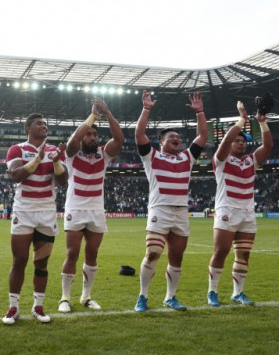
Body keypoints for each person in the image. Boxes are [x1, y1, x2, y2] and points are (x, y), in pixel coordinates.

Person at [134, 90, 208, 312]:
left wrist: (200, 112)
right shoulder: (152, 156)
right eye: (171, 137)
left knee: (176, 257)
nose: (176, 138)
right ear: (161, 142)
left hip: (180, 213)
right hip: (160, 210)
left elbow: (202, 136)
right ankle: (143, 296)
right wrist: (146, 109)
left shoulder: (187, 157)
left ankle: (170, 297)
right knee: (153, 253)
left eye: (178, 137)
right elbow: (139, 134)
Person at [58, 98, 124, 313]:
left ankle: (86, 296)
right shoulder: (72, 154)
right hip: (75, 209)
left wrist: (107, 112)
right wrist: (93, 117)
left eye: (95, 134)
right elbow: (73, 141)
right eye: (89, 134)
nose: (92, 137)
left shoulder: (103, 155)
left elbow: (119, 138)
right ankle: (65, 298)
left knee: (92, 254)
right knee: (72, 254)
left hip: (96, 210)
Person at [2, 113, 68, 325]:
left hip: (47, 212)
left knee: (42, 262)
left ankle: (38, 306)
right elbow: (16, 175)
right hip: (24, 211)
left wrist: (56, 161)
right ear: (28, 127)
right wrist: (37, 159)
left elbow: (62, 181)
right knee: (19, 260)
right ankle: (13, 307)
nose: (44, 126)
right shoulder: (17, 149)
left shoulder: (54, 151)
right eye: (39, 123)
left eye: (46, 124)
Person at [207, 101, 273, 306]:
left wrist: (262, 123)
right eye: (237, 141)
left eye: (243, 141)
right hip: (227, 210)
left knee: (243, 254)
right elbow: (225, 141)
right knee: (220, 252)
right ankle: (212, 292)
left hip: (247, 212)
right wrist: (242, 119)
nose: (241, 143)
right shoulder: (221, 160)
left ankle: (237, 293)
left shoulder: (251, 160)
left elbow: (268, 146)